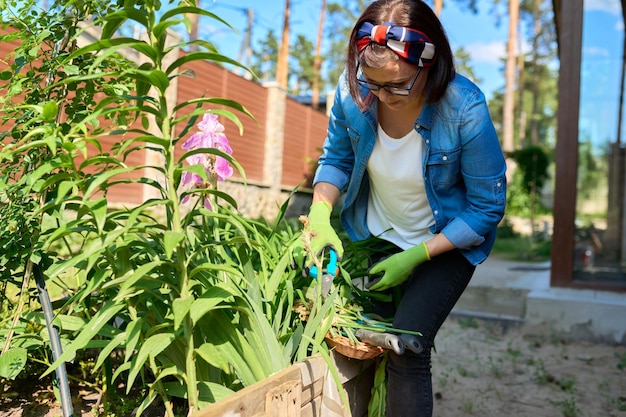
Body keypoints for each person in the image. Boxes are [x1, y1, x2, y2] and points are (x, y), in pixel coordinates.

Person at [295, 0, 506, 416]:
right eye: (371, 83)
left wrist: (417, 255)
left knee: (406, 349)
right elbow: (337, 159)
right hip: (373, 236)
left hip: (444, 243)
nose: (381, 96)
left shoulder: (464, 108)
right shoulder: (352, 93)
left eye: (397, 85)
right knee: (357, 343)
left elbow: (486, 208)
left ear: (429, 65)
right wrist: (320, 213)